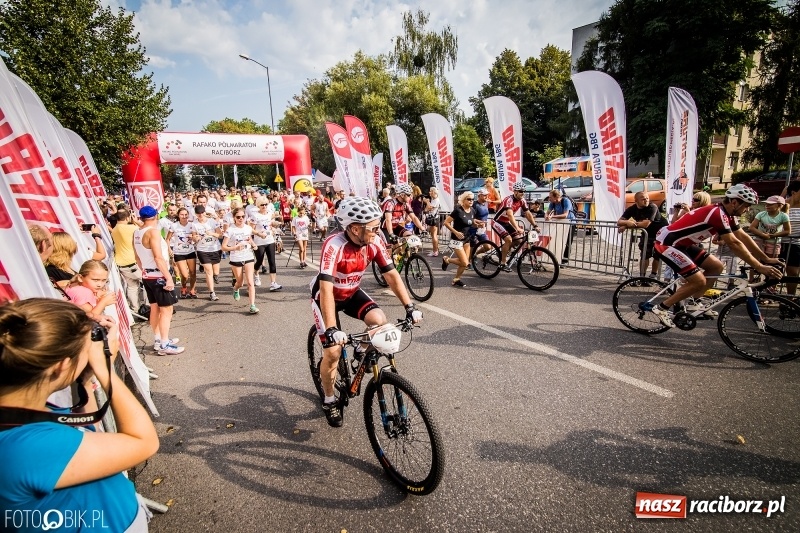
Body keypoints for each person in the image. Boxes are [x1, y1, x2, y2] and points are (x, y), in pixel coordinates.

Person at [0, 299, 159, 531]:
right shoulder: (27, 448)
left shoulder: (26, 414)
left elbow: (86, 431)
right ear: (61, 366)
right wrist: (106, 371)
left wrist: (85, 379)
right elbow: (143, 442)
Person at [311, 197, 423, 427]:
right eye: (373, 227)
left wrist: (410, 306)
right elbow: (326, 287)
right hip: (327, 296)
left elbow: (391, 274)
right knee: (332, 352)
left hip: (351, 293)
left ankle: (360, 353)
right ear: (354, 228)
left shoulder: (375, 242)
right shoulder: (334, 245)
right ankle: (330, 400)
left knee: (379, 321)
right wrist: (332, 329)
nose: (377, 230)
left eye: (378, 225)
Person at [650, 184, 783, 328]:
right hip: (668, 244)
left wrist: (766, 259)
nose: (747, 210)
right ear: (734, 202)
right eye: (747, 206)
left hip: (682, 244)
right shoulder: (717, 214)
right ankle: (662, 307)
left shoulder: (727, 214)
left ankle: (694, 301)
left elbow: (743, 237)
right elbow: (734, 243)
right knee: (698, 281)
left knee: (716, 266)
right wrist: (758, 266)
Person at [134, 206, 184, 355]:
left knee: (155, 308)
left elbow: (137, 257)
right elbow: (158, 257)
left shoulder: (137, 232)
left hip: (148, 275)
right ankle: (164, 344)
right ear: (156, 216)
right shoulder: (153, 232)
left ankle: (159, 339)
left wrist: (145, 270)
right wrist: (168, 277)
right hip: (158, 275)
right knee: (166, 309)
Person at [616, 191, 668, 277]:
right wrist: (626, 223)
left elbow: (645, 224)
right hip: (647, 233)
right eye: (643, 199)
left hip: (660, 234)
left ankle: (653, 275)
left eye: (647, 198)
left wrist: (627, 225)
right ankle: (642, 276)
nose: (646, 200)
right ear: (636, 201)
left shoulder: (652, 207)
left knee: (657, 255)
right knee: (644, 254)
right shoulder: (632, 209)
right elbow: (619, 222)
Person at [493, 182, 541, 271]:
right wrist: (517, 228)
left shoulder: (522, 201)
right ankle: (502, 263)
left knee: (518, 240)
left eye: (524, 191)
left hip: (506, 222)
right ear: (515, 191)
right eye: (521, 191)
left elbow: (528, 213)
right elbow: (510, 215)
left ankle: (502, 251)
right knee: (508, 239)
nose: (523, 193)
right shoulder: (509, 200)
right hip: (497, 222)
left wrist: (535, 225)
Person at [222, 207, 259, 314]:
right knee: (240, 282)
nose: (241, 219)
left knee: (250, 283)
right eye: (238, 217)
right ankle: (236, 289)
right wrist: (235, 248)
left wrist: (253, 244)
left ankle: (252, 305)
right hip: (236, 257)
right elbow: (223, 247)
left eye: (243, 216)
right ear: (234, 218)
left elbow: (249, 239)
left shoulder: (248, 228)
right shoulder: (230, 230)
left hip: (248, 256)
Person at [441, 192, 483, 287]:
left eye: (472, 199)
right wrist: (456, 232)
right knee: (465, 262)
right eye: (469, 199)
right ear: (463, 200)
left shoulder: (472, 210)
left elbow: (470, 222)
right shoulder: (458, 211)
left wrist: (477, 224)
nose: (471, 201)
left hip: (467, 239)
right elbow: (446, 222)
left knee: (464, 263)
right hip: (456, 239)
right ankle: (447, 259)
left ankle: (456, 279)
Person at [112, 208, 142, 311]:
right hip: (133, 262)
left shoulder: (114, 229)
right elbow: (145, 229)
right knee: (148, 283)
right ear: (127, 217)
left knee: (132, 286)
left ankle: (135, 308)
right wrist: (136, 221)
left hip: (121, 263)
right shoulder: (132, 228)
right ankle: (148, 307)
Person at [250, 198, 283, 291]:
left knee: (272, 261)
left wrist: (273, 227)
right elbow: (251, 229)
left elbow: (269, 224)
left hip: (270, 240)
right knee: (259, 261)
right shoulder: (255, 216)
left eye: (265, 204)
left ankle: (273, 283)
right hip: (259, 241)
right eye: (262, 205)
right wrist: (259, 234)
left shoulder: (269, 214)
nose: (264, 206)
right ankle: (256, 274)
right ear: (258, 206)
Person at [191, 204, 223, 301]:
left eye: (202, 213)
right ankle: (212, 293)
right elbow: (193, 237)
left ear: (204, 212)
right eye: (198, 213)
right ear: (196, 214)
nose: (200, 215)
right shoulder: (194, 224)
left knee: (216, 272)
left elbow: (220, 235)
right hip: (202, 250)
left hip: (215, 248)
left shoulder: (212, 222)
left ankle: (215, 276)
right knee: (208, 271)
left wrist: (212, 233)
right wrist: (196, 238)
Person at [166, 207, 198, 299]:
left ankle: (192, 290)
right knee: (185, 275)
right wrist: (169, 250)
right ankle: (183, 287)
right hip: (179, 252)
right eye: (182, 215)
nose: (184, 216)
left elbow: (196, 238)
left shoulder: (192, 225)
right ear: (178, 215)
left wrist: (194, 238)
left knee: (192, 273)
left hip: (190, 251)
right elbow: (167, 239)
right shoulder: (174, 226)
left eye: (186, 215)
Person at [545, 188, 576, 266]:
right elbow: (547, 212)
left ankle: (565, 260)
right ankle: (557, 257)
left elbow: (565, 215)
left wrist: (552, 217)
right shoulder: (553, 203)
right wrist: (546, 216)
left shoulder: (566, 201)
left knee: (567, 242)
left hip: (570, 223)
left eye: (551, 197)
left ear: (556, 197)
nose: (549, 198)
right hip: (560, 223)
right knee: (558, 240)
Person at [779, 181, 800, 295]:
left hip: (797, 244)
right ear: (794, 193)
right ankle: (777, 296)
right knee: (780, 271)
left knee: (794, 273)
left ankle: (790, 298)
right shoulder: (782, 206)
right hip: (782, 243)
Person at [423, 188, 441, 257]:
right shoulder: (434, 200)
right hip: (434, 219)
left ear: (434, 192)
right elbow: (427, 209)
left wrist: (427, 202)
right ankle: (435, 249)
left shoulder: (436, 200)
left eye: (430, 191)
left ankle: (435, 251)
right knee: (433, 235)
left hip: (434, 219)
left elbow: (429, 208)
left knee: (434, 235)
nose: (429, 192)